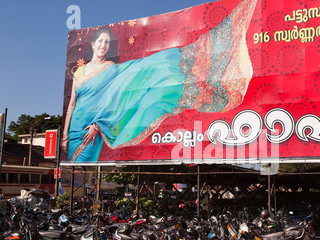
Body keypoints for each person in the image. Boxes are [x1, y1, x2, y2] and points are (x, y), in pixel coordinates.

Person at [62, 0, 257, 163]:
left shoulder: (111, 69)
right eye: (100, 41)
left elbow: (117, 98)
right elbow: (71, 105)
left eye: (107, 42)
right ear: (93, 44)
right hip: (75, 128)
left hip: (93, 129)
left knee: (84, 168)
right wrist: (64, 135)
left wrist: (99, 124)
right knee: (71, 169)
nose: (103, 45)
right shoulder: (79, 72)